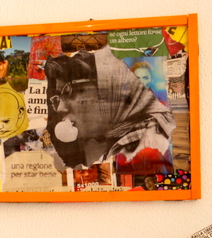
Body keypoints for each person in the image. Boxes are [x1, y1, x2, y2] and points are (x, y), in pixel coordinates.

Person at [44, 46, 175, 173]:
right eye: (57, 98)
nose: (60, 108)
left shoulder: (149, 138)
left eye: (68, 92)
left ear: (108, 86)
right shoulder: (117, 142)